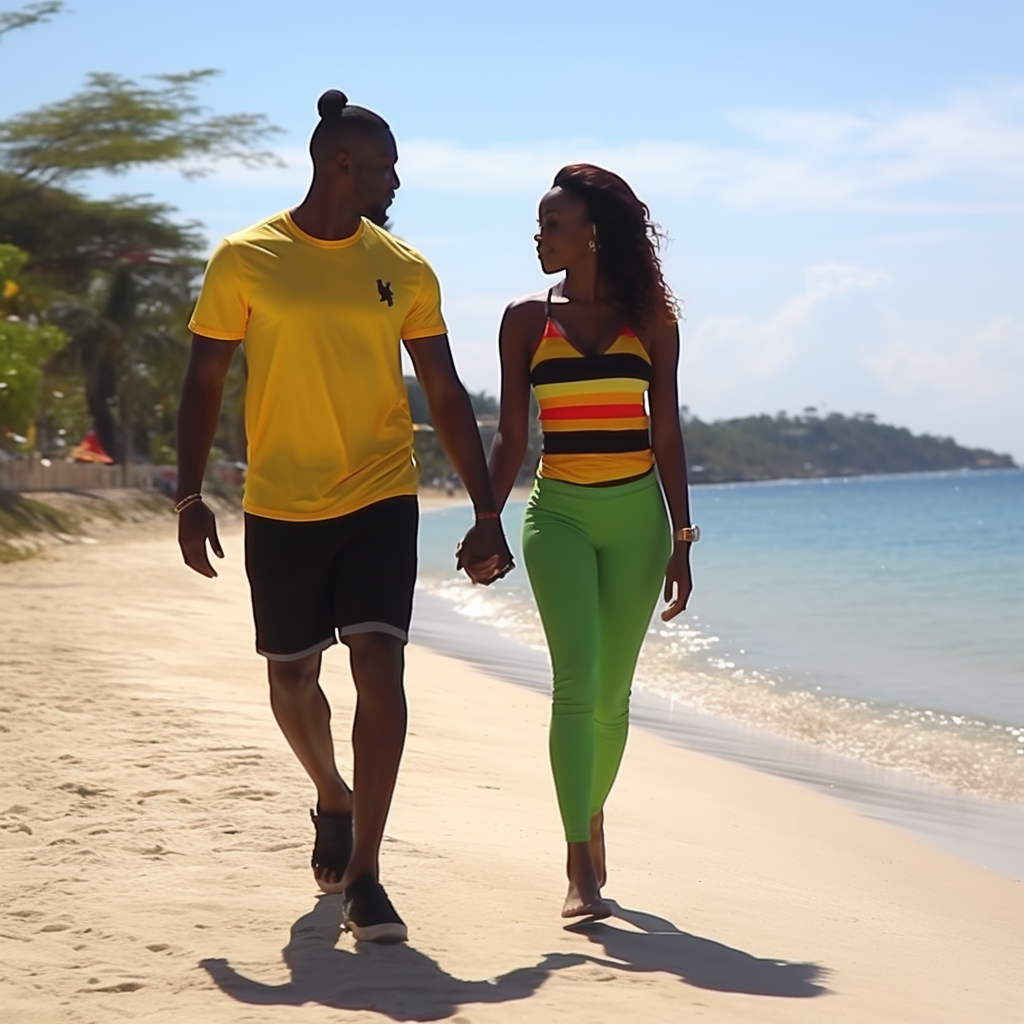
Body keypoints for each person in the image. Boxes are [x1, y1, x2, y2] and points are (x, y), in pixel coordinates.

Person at [175, 89, 512, 944]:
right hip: (282, 501)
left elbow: (442, 393)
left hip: (380, 494)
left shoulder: (405, 267)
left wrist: (483, 510)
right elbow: (205, 380)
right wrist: (187, 495)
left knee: (380, 665)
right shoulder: (246, 258)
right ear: (343, 165)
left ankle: (366, 872)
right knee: (290, 676)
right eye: (387, 165)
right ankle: (331, 790)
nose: (396, 179)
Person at [485, 164, 698, 920]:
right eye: (541, 225)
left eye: (551, 225)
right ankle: (580, 865)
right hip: (559, 516)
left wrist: (681, 534)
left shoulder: (654, 322)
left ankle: (590, 806)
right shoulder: (523, 319)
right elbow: (514, 433)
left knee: (612, 695)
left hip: (638, 518)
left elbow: (665, 431)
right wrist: (486, 515)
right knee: (576, 682)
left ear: (592, 233)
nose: (539, 238)